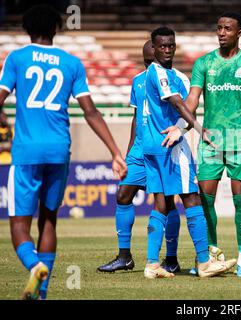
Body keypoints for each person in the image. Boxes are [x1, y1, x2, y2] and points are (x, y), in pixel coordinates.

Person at [0, 4, 127, 299]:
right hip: (60, 149)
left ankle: (34, 267)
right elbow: (91, 112)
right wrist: (115, 152)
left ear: (27, 29)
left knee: (19, 224)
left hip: (27, 151)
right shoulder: (71, 63)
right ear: (56, 29)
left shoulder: (17, 58)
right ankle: (41, 293)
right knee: (49, 220)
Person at [142, 27, 236, 279]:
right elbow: (176, 102)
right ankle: (205, 263)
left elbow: (187, 104)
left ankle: (152, 265)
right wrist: (199, 128)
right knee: (192, 198)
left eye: (170, 45)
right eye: (161, 46)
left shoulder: (179, 77)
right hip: (169, 145)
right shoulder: (157, 72)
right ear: (153, 47)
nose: (166, 49)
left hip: (152, 146)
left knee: (161, 203)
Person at [175, 12, 241, 277]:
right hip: (210, 141)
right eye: (219, 28)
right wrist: (180, 128)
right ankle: (210, 254)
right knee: (204, 198)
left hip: (239, 141)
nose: (221, 32)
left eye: (227, 28)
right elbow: (191, 102)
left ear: (239, 32)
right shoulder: (204, 63)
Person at [97, 40, 183, 274]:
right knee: (123, 194)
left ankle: (171, 258)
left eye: (151, 61)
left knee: (167, 203)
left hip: (162, 147)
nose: (150, 66)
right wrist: (128, 151)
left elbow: (182, 111)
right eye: (146, 62)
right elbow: (137, 116)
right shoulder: (137, 81)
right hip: (138, 150)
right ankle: (124, 256)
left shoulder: (172, 79)